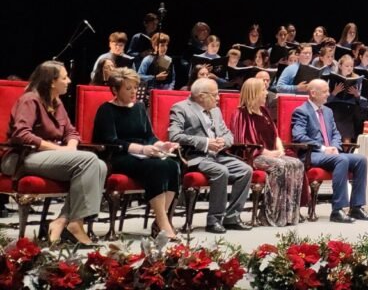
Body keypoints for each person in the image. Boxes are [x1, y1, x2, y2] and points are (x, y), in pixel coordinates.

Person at [4, 60, 106, 246]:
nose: (69, 81)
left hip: (50, 156)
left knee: (100, 165)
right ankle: (74, 224)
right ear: (52, 81)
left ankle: (63, 221)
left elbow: (71, 132)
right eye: (64, 78)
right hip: (23, 157)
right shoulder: (30, 100)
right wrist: (61, 149)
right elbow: (22, 134)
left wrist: (71, 146)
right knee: (90, 160)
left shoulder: (56, 102)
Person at [93, 68, 181, 240]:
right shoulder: (106, 109)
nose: (134, 92)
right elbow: (111, 141)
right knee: (157, 166)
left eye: (135, 87)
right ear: (115, 90)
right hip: (119, 156)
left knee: (172, 164)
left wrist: (162, 145)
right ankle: (164, 225)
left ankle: (160, 221)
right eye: (128, 88)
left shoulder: (139, 107)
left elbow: (149, 136)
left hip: (144, 153)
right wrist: (141, 149)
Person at [167, 78, 253, 233]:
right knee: (221, 171)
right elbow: (174, 136)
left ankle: (232, 217)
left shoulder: (215, 110)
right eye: (215, 95)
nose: (218, 98)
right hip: (196, 156)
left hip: (218, 155)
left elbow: (228, 134)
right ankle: (214, 220)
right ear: (201, 96)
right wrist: (206, 142)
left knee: (245, 170)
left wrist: (224, 141)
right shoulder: (181, 108)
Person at [291, 79, 368, 224]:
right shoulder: (301, 111)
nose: (328, 94)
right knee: (342, 159)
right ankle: (337, 210)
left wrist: (335, 147)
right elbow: (299, 136)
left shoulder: (328, 111)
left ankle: (356, 207)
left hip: (330, 153)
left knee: (361, 159)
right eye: (324, 92)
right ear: (313, 93)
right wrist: (324, 148)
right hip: (312, 154)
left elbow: (335, 133)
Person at [228, 77, 307, 226]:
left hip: (272, 153)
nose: (266, 93)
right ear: (254, 92)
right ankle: (271, 213)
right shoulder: (240, 113)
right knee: (279, 166)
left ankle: (289, 213)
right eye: (263, 90)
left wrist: (280, 149)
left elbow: (275, 134)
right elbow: (243, 142)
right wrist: (267, 153)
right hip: (252, 156)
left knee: (297, 164)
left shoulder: (264, 111)